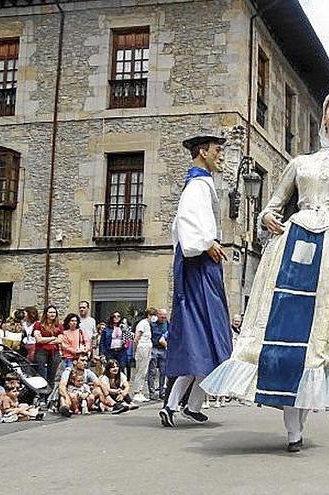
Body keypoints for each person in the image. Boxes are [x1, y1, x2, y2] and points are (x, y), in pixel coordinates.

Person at [202, 84, 329, 452]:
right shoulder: (301, 163)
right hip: (293, 237)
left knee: (317, 328)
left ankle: (297, 422)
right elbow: (272, 204)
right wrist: (267, 217)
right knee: (278, 318)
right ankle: (289, 420)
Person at [159, 133, 233, 429]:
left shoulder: (202, 183)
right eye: (218, 150)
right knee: (204, 336)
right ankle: (175, 404)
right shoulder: (197, 185)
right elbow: (186, 222)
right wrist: (207, 242)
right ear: (203, 152)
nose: (222, 155)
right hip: (198, 264)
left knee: (211, 338)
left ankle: (189, 404)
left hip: (202, 262)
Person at [58, 353, 128, 416]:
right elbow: (62, 386)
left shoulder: (87, 372)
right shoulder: (68, 371)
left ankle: (113, 405)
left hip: (84, 395)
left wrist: (107, 396)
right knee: (63, 396)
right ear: (75, 362)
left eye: (86, 361)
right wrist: (67, 398)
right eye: (82, 361)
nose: (85, 363)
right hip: (72, 397)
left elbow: (99, 383)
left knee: (98, 388)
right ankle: (66, 409)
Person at [132, 308, 155, 403]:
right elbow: (137, 337)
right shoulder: (143, 323)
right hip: (142, 348)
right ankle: (137, 391)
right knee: (141, 370)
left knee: (144, 370)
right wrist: (136, 350)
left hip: (147, 348)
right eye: (153, 315)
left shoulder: (148, 324)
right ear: (149, 315)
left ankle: (140, 391)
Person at [34, 305, 62, 383]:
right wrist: (53, 338)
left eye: (54, 312)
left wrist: (45, 340)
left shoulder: (59, 325)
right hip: (41, 351)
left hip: (54, 352)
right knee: (41, 375)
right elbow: (39, 340)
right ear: (46, 313)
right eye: (50, 312)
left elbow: (60, 340)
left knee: (52, 377)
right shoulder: (38, 324)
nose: (52, 314)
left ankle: (50, 394)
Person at [148, 308, 169, 400]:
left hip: (164, 349)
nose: (163, 318)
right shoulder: (152, 325)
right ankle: (152, 392)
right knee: (152, 371)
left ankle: (162, 392)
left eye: (165, 317)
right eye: (162, 316)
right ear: (158, 315)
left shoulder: (167, 324)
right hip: (154, 348)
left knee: (163, 372)